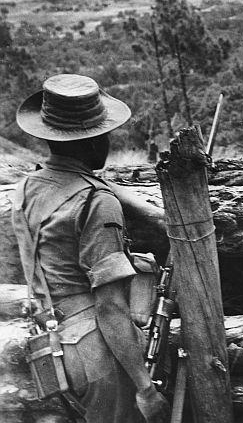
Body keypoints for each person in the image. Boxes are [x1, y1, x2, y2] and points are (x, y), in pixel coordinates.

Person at [11, 74, 169, 423]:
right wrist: (144, 387)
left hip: (52, 346)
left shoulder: (24, 190)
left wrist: (150, 212)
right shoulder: (97, 203)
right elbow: (111, 308)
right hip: (98, 354)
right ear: (94, 141)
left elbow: (78, 180)